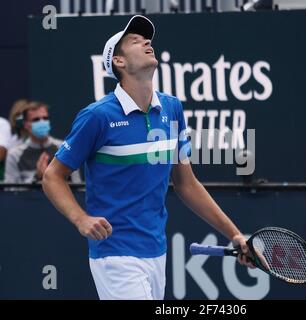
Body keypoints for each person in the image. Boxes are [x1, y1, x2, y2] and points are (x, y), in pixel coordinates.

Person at [42, 15, 254, 300]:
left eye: (147, 39)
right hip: (115, 255)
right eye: (134, 40)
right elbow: (52, 176)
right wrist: (80, 218)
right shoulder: (97, 116)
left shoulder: (172, 108)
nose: (146, 42)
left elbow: (186, 184)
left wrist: (235, 234)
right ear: (118, 62)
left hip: (157, 253)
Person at [5, 101, 81, 183]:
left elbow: (77, 185)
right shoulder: (14, 155)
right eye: (36, 120)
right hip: (29, 196)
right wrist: (36, 178)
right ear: (26, 125)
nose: (42, 122)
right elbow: (11, 190)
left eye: (45, 118)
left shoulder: (65, 148)